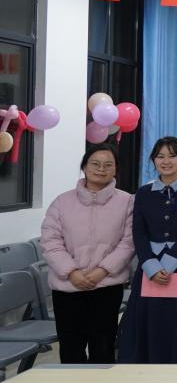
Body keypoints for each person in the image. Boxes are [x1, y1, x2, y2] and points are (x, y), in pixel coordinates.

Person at [40, 144, 134, 364]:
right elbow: (50, 241)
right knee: (71, 349)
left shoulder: (128, 202)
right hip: (67, 288)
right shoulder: (62, 202)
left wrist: (102, 271)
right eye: (95, 163)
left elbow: (129, 242)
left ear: (115, 169)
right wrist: (71, 272)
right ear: (84, 166)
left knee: (103, 347)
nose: (101, 169)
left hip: (106, 287)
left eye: (108, 164)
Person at [119, 137, 177, 363]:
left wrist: (169, 264)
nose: (166, 161)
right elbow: (138, 231)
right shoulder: (144, 192)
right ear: (153, 160)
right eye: (160, 156)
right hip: (149, 267)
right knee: (148, 319)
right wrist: (150, 265)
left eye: (172, 156)